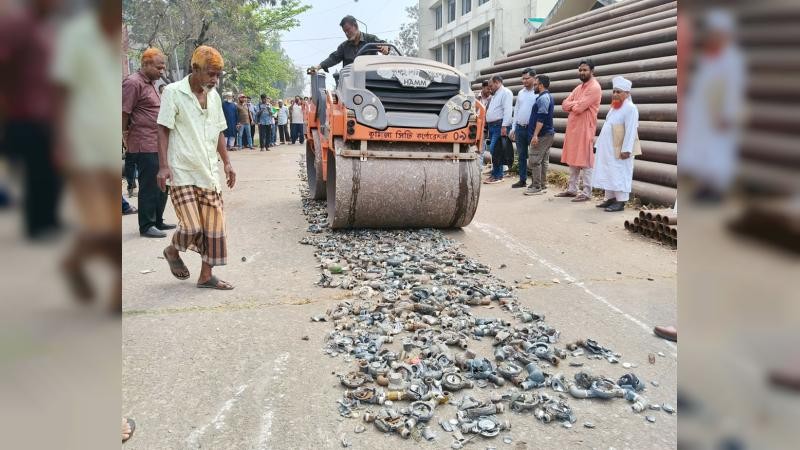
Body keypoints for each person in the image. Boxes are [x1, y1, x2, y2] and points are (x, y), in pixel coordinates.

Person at [157, 45, 236, 290]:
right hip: (182, 170)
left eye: (217, 75)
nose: (214, 80)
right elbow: (163, 128)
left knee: (214, 227)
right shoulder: (173, 92)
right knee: (191, 226)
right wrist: (163, 166)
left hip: (208, 172)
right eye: (210, 74)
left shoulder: (214, 96)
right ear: (195, 69)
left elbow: (219, 131)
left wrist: (227, 162)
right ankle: (172, 250)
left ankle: (205, 276)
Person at [0, 0, 63, 240]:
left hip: (47, 112)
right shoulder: (17, 23)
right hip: (25, 112)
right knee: (36, 170)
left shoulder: (46, 27)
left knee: (51, 169)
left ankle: (49, 219)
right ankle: (37, 225)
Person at [679, 9, 745, 202]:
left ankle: (717, 189)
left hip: (721, 114)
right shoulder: (708, 58)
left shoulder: (732, 59)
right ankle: (705, 186)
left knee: (720, 151)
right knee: (704, 151)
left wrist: (727, 113)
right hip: (704, 113)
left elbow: (734, 89)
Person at [122, 47, 175, 238]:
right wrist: (124, 135)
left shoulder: (151, 83)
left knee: (163, 184)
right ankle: (146, 225)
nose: (162, 72)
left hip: (159, 142)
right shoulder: (133, 83)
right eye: (159, 68)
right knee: (149, 185)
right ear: (146, 64)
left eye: (163, 68)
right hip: (144, 143)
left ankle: (158, 220)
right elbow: (124, 112)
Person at [555, 58, 602, 202]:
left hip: (585, 129)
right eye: (580, 70)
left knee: (586, 161)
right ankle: (572, 189)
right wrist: (574, 104)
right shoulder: (578, 88)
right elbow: (564, 105)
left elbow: (579, 108)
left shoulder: (594, 87)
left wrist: (573, 104)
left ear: (592, 71)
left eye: (585, 70)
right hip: (574, 129)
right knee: (573, 160)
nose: (582, 72)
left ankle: (587, 192)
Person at [592, 76, 640, 212]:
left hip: (621, 148)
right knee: (609, 171)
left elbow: (631, 130)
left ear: (627, 93)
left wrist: (626, 149)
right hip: (608, 148)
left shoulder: (631, 108)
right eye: (614, 91)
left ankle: (621, 202)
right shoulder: (614, 107)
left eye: (618, 92)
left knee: (620, 172)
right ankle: (611, 199)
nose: (615, 94)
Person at [311, 15, 389, 72]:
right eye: (345, 32)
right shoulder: (344, 47)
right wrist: (318, 66)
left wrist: (385, 47)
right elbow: (333, 58)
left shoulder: (370, 39)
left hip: (370, 79)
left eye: (348, 30)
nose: (347, 33)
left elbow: (383, 44)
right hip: (350, 82)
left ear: (356, 26)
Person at [524, 74, 555, 196]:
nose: (534, 87)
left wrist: (535, 135)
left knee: (534, 160)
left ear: (541, 85)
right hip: (547, 134)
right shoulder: (545, 97)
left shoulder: (543, 98)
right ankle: (541, 184)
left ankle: (537, 186)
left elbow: (541, 119)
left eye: (536, 85)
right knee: (542, 161)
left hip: (542, 135)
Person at [509, 68, 537, 188]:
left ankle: (536, 182)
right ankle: (522, 179)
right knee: (521, 155)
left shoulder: (537, 93)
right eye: (523, 79)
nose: (524, 81)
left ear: (534, 78)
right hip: (520, 128)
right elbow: (517, 110)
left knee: (534, 156)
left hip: (532, 129)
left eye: (527, 78)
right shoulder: (521, 93)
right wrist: (513, 127)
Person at [483, 75, 513, 184]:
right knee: (495, 151)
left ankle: (498, 175)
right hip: (493, 125)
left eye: (491, 86)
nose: (490, 88)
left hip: (500, 125)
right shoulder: (495, 94)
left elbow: (508, 110)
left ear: (497, 82)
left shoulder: (506, 92)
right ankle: (495, 174)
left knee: (495, 150)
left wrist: (504, 126)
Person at [476, 80, 493, 171]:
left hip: (484, 127)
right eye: (488, 88)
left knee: (481, 149)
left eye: (491, 89)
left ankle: (479, 169)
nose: (490, 90)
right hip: (474, 125)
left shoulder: (492, 98)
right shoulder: (475, 97)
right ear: (482, 88)